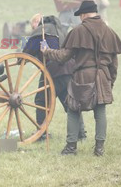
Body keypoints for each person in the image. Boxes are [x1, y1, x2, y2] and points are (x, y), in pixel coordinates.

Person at [41, 0, 121, 156]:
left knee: (73, 109)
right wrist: (110, 81)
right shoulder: (109, 32)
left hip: (83, 76)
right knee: (100, 111)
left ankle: (71, 147)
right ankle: (99, 149)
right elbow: (114, 63)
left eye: (80, 15)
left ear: (85, 14)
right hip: (103, 76)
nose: (79, 18)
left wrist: (47, 51)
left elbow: (63, 56)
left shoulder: (78, 31)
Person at [23, 13, 86, 141]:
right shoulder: (60, 30)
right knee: (70, 104)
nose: (32, 28)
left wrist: (20, 60)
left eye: (33, 25)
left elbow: (26, 52)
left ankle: (42, 134)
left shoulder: (40, 32)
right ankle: (81, 134)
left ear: (37, 22)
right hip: (69, 71)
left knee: (41, 102)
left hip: (53, 72)